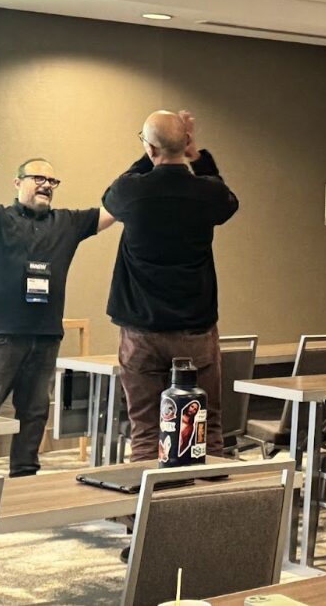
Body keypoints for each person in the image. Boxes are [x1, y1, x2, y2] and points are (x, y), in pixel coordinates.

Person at [0, 144, 114, 476]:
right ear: (18, 183)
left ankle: (25, 477)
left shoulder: (66, 223)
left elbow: (112, 211)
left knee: (35, 412)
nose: (46, 185)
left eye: (53, 181)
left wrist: (147, 166)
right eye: (39, 177)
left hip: (45, 337)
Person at [103, 110, 238, 461]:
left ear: (149, 149)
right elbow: (227, 199)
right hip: (195, 332)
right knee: (206, 429)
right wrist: (198, 157)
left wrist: (155, 149)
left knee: (146, 432)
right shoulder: (205, 193)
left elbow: (119, 186)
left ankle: (148, 512)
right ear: (186, 144)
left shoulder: (130, 192)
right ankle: (210, 512)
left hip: (140, 332)